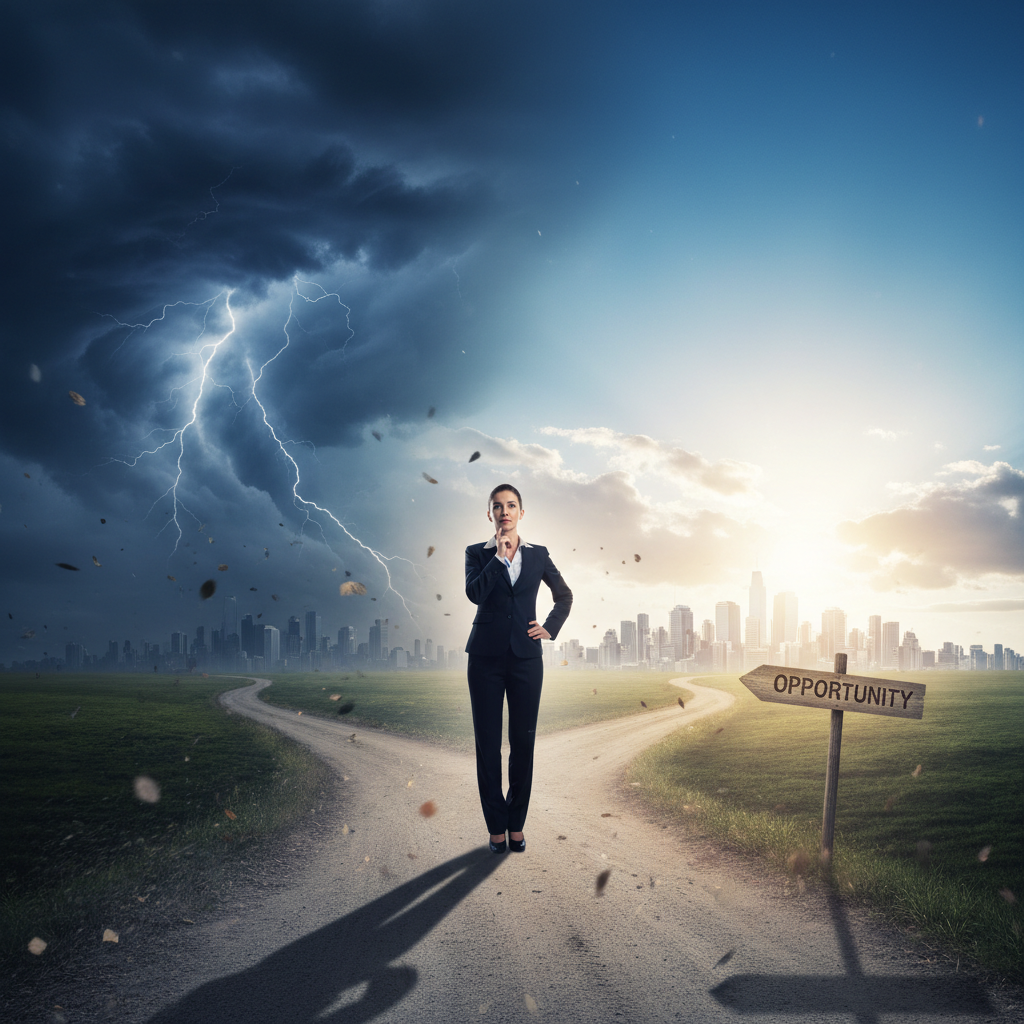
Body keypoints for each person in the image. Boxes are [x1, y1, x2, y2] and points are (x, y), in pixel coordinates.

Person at [464, 484, 573, 853]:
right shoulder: (477, 553)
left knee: (523, 744)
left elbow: (564, 595)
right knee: (488, 745)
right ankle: (496, 827)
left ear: (521, 513)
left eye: (511, 505)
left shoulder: (538, 554)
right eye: (498, 506)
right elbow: (475, 594)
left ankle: (516, 825)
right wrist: (498, 557)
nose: (505, 511)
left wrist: (550, 627)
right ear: (490, 514)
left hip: (526, 658)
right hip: (485, 659)